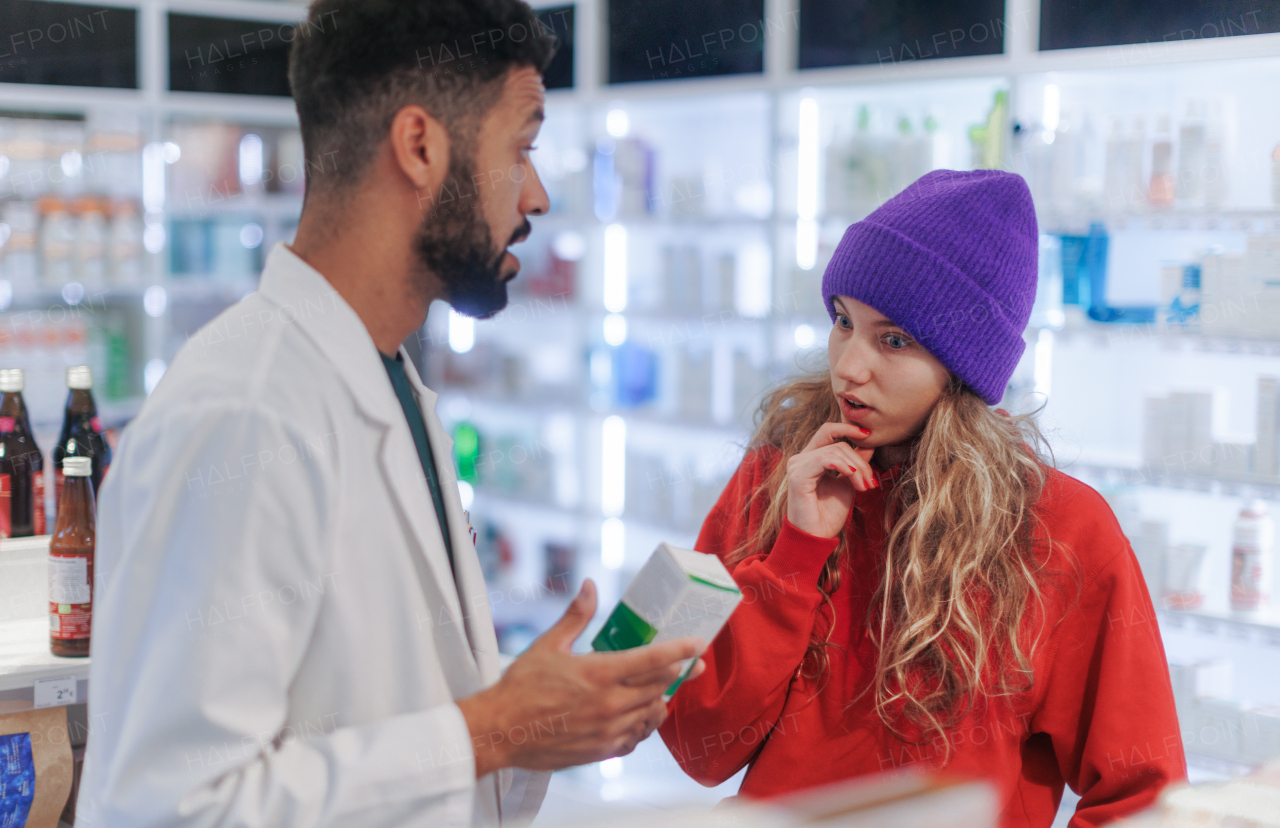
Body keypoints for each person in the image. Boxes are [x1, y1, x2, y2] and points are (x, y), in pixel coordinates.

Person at [76, 1, 702, 825]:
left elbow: (420, 740)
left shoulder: (390, 381)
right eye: (523, 148)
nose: (539, 195)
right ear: (419, 147)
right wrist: (496, 726)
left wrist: (544, 727)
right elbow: (167, 808)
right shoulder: (244, 412)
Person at [659, 170, 1185, 827]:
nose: (849, 365)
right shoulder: (775, 475)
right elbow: (691, 739)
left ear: (963, 371)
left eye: (894, 340)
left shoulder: (1062, 529)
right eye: (843, 321)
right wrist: (796, 557)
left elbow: (1143, 795)